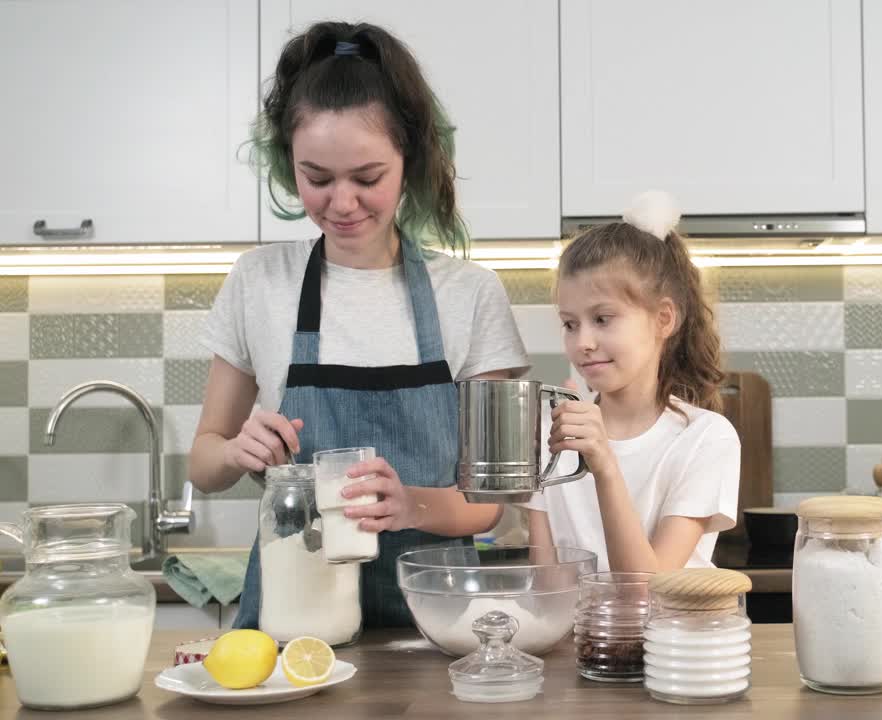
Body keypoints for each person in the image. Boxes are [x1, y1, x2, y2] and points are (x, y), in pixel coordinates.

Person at [188, 21, 529, 628]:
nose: (341, 203)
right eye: (316, 178)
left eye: (367, 178)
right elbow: (204, 463)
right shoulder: (258, 281)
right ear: (286, 161)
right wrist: (238, 449)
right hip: (296, 627)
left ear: (410, 161)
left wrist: (411, 505)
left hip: (430, 631)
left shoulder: (470, 294)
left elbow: (493, 503)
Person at [524, 191, 741, 573]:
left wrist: (604, 464)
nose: (583, 343)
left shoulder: (706, 438)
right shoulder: (549, 432)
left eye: (603, 319)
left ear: (663, 319)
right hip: (576, 636)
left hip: (672, 634)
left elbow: (647, 593)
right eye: (570, 324)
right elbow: (547, 591)